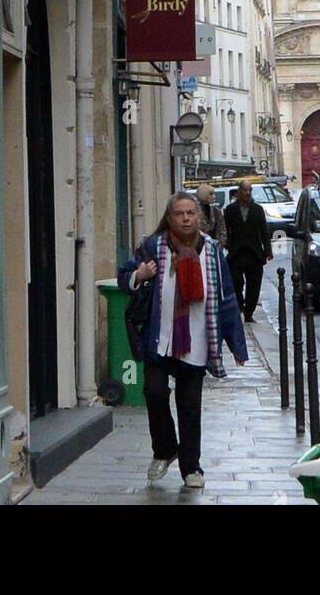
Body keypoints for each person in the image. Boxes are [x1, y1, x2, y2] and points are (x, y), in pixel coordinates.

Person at [118, 192, 247, 489]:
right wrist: (139, 274)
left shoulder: (212, 250)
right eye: (180, 214)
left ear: (198, 217)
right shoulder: (153, 247)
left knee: (190, 407)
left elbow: (227, 298)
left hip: (197, 339)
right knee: (154, 392)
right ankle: (165, 450)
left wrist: (236, 345)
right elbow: (124, 277)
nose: (186, 218)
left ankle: (192, 467)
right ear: (169, 217)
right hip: (159, 339)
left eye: (191, 213)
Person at [224, 179, 271, 322]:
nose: (247, 193)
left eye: (249, 190)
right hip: (236, 253)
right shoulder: (231, 210)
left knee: (254, 285)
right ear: (239, 192)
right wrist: (227, 244)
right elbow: (225, 229)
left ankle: (249, 312)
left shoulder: (257, 209)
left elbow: (264, 230)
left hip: (254, 253)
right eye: (245, 190)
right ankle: (239, 305)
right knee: (236, 283)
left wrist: (268, 250)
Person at [195, 183, 227, 247]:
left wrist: (220, 245)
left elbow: (222, 229)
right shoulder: (194, 212)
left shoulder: (216, 211)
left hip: (215, 248)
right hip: (199, 248)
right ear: (203, 195)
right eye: (211, 194)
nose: (214, 197)